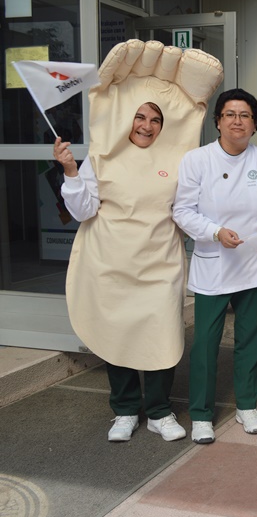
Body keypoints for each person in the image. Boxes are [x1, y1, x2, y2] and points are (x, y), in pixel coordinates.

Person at [54, 40, 223, 442]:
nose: (146, 125)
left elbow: (190, 208)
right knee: (120, 335)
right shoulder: (103, 157)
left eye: (156, 120)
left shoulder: (178, 162)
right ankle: (126, 409)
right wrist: (71, 171)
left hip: (160, 262)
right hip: (112, 261)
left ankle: (161, 411)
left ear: (165, 127)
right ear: (128, 120)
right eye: (140, 117)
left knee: (162, 335)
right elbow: (83, 211)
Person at [173, 88, 257, 444]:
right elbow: (182, 211)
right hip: (214, 264)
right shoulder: (197, 160)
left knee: (251, 339)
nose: (237, 121)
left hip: (252, 264)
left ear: (255, 123)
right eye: (229, 114)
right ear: (217, 121)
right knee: (205, 344)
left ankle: (246, 404)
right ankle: (201, 414)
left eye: (245, 115)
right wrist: (216, 232)